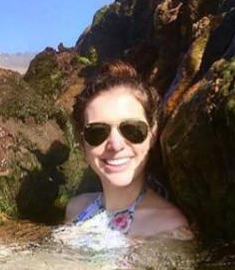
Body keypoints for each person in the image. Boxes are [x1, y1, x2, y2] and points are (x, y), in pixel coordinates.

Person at [65, 60, 189, 237]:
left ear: (152, 134)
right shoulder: (75, 208)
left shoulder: (169, 228)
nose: (115, 145)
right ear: (81, 141)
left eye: (132, 129)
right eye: (98, 132)